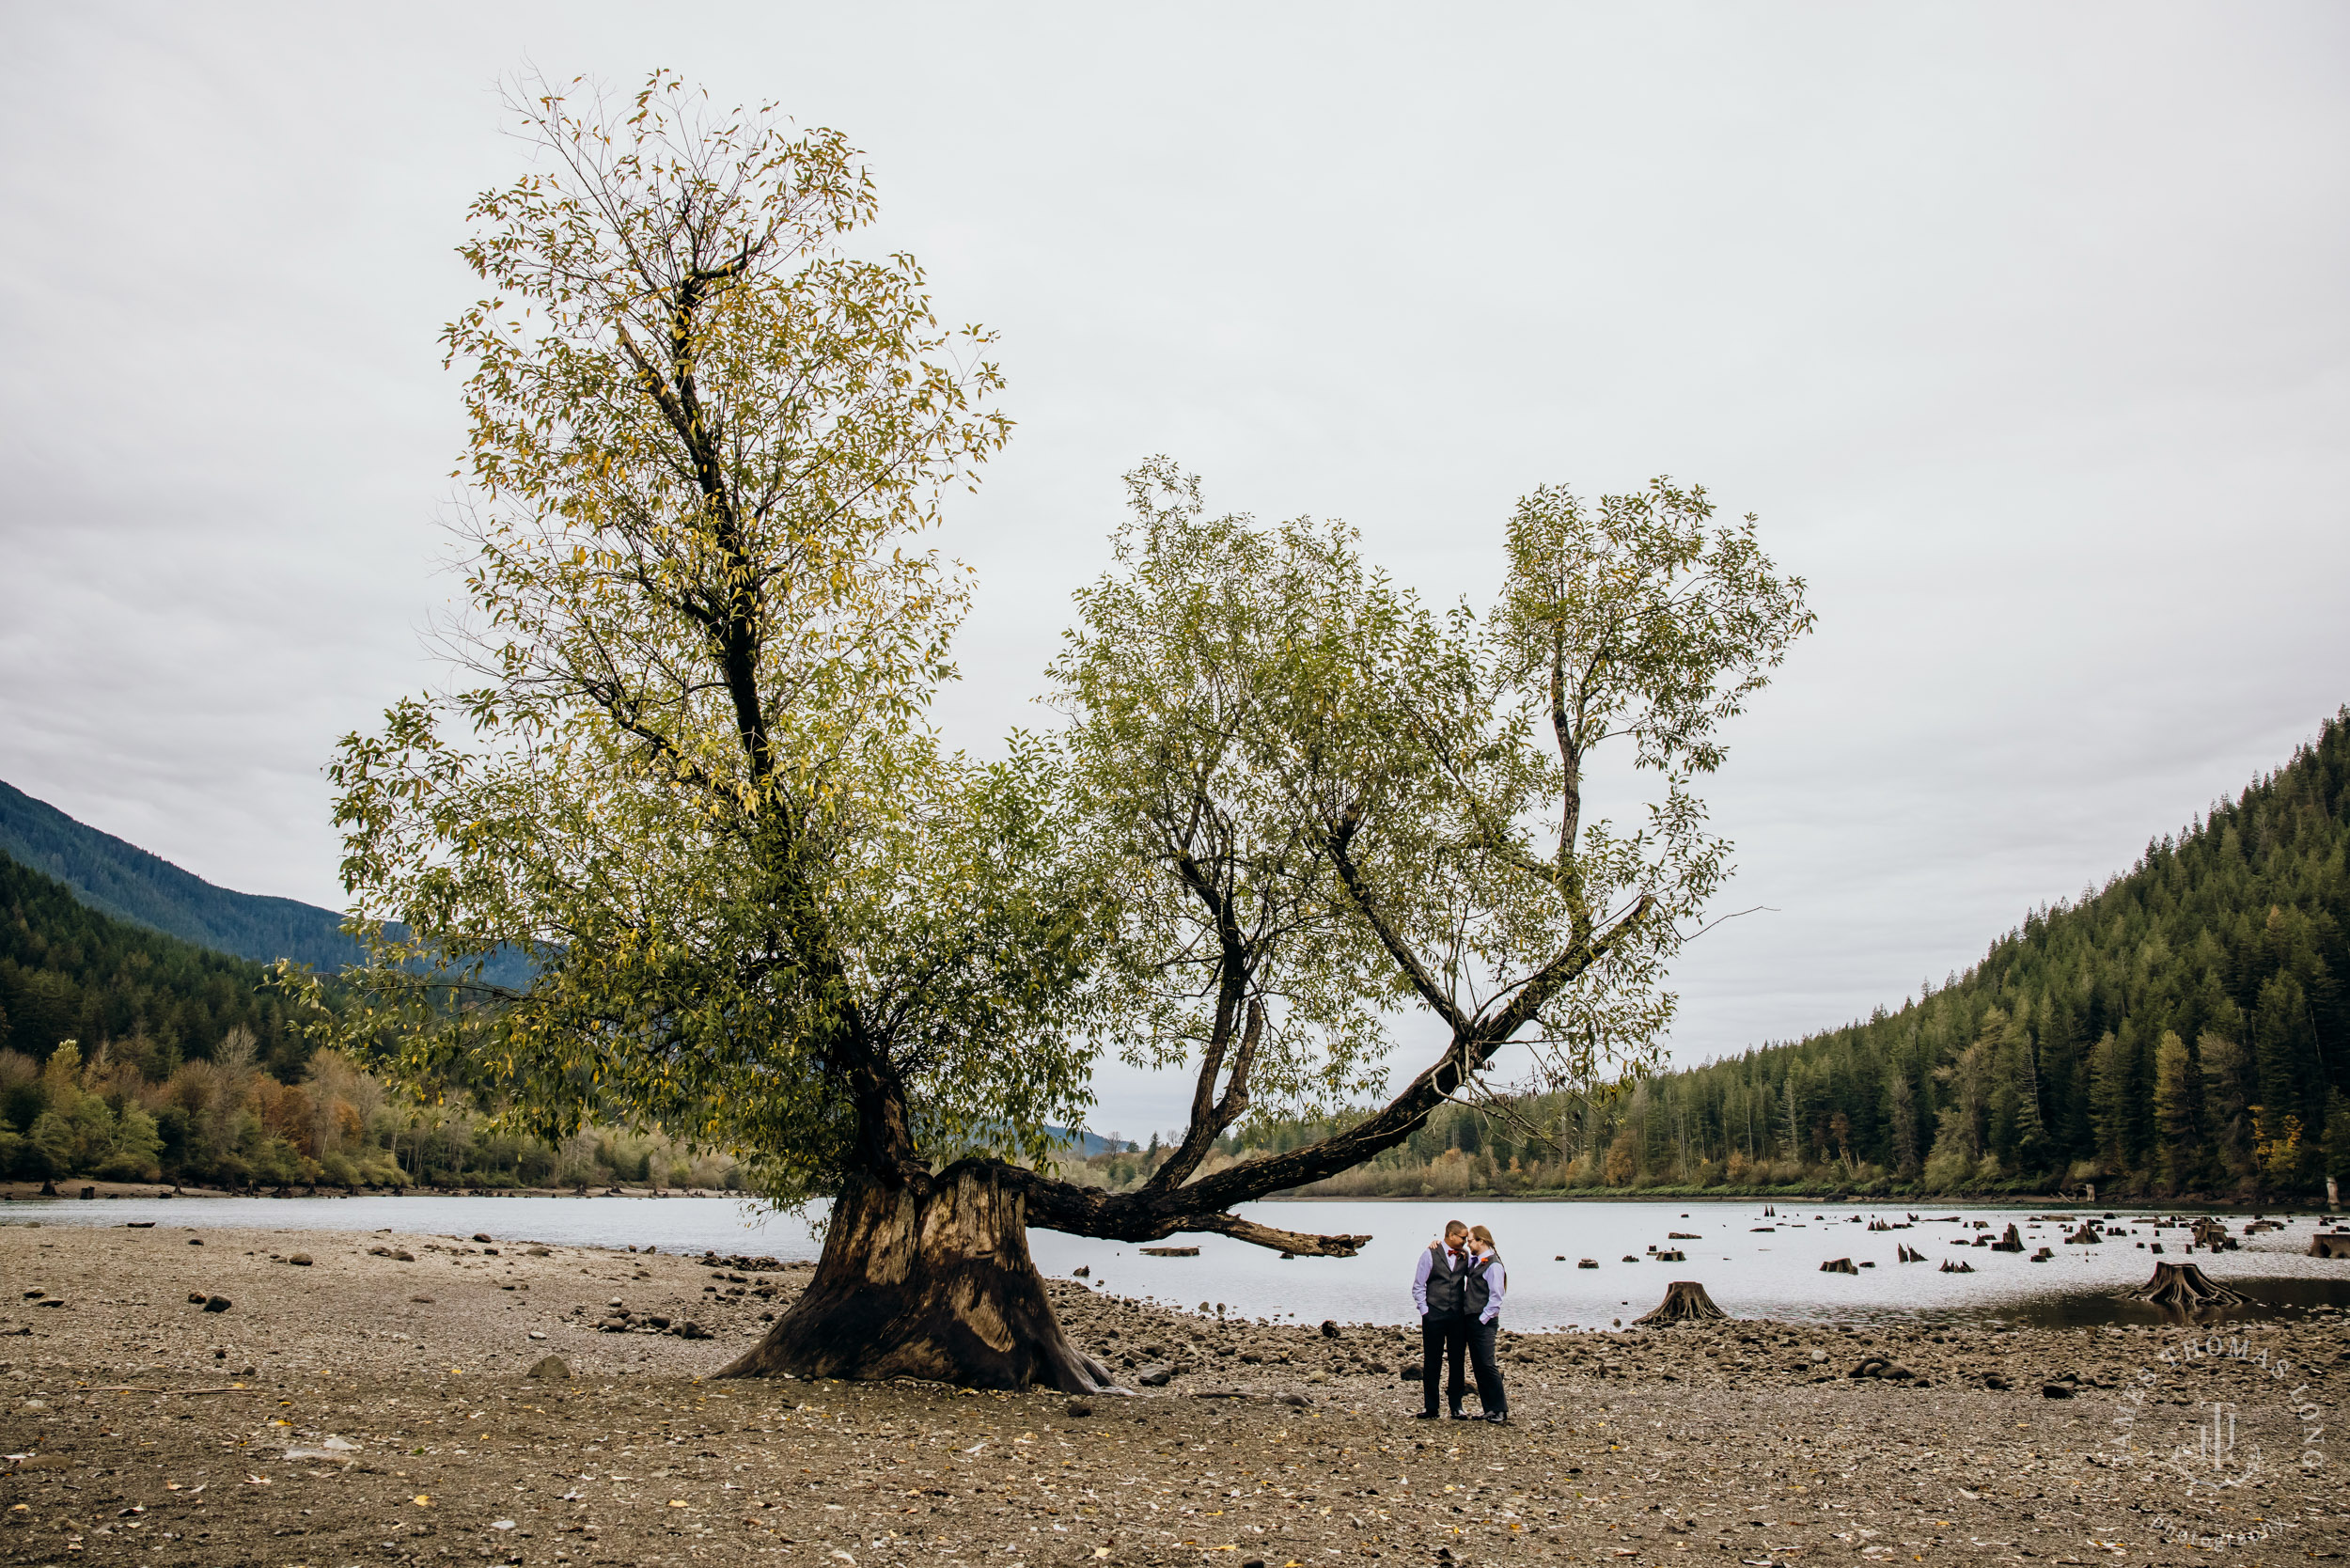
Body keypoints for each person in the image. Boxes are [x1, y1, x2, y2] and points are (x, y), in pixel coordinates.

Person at [1412, 1218, 1475, 1419]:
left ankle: (1456, 1406)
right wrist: (1425, 1312)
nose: (1465, 1241)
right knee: (1432, 1362)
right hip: (1434, 1315)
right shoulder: (1429, 1254)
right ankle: (1431, 1407)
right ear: (1451, 1235)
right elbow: (1418, 1285)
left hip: (1457, 1315)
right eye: (1463, 1238)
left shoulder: (1465, 1256)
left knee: (1457, 1361)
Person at [1464, 1223, 1508, 1422]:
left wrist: (1482, 1320)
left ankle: (1500, 1409)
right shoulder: (1476, 1261)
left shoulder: (1494, 1265)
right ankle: (1489, 1408)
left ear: (1481, 1241)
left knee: (1488, 1365)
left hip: (1484, 1321)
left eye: (1470, 1241)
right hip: (1473, 1319)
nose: (1468, 1244)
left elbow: (1496, 1297)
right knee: (1479, 1366)